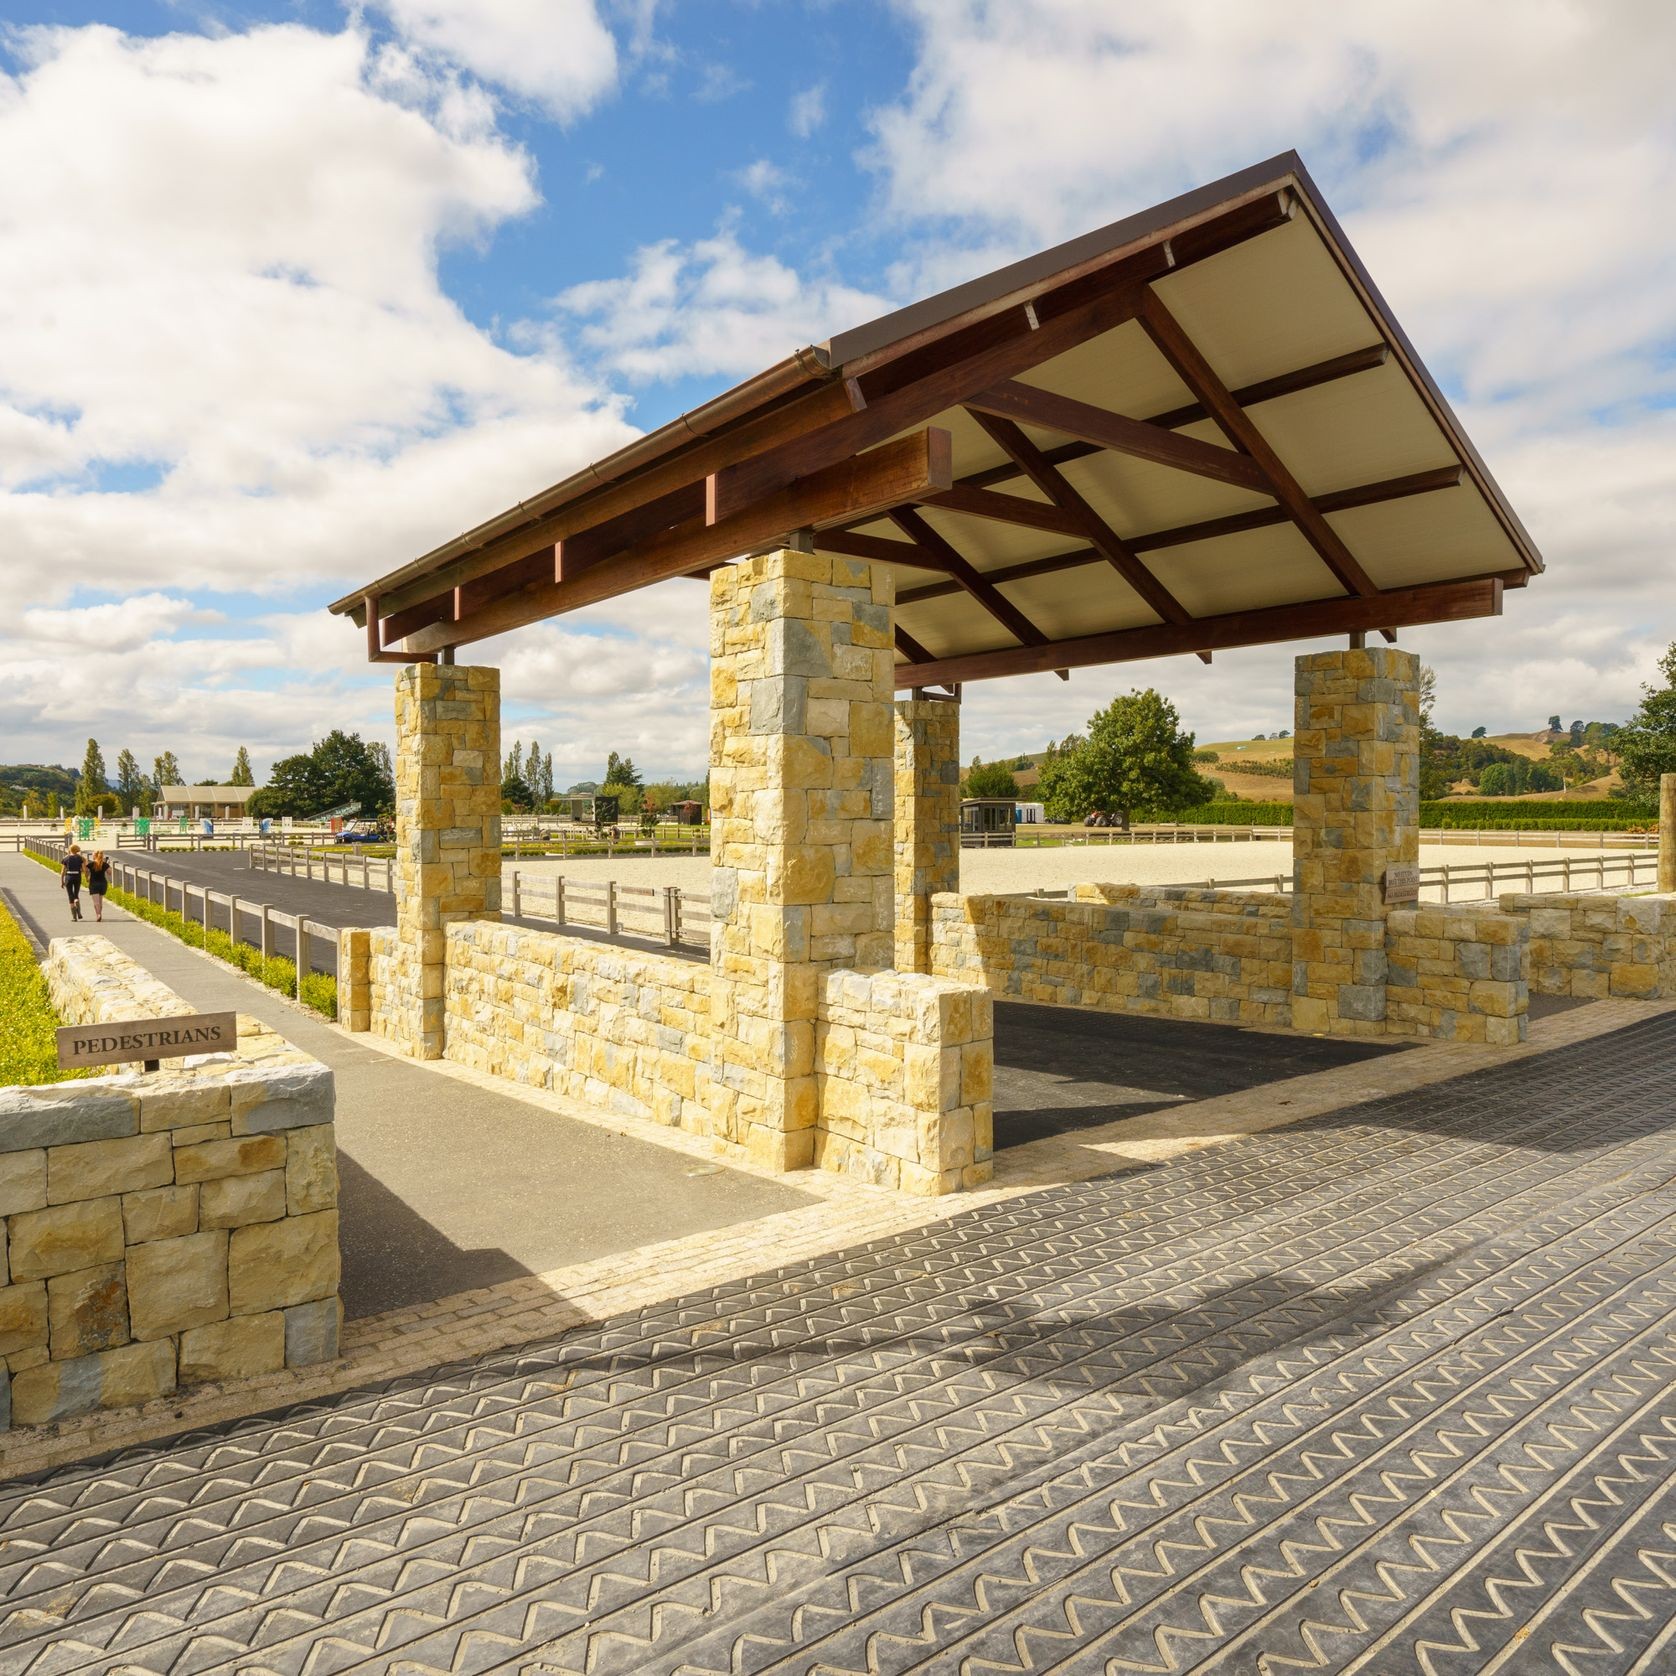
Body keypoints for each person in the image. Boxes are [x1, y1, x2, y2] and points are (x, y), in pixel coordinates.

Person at [86, 849, 111, 923]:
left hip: (94, 883)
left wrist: (87, 877)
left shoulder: (91, 864)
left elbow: (85, 871)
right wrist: (107, 863)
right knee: (100, 901)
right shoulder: (105, 864)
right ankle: (100, 914)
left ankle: (98, 914)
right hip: (103, 883)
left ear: (94, 856)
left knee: (96, 902)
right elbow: (110, 873)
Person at [60, 843, 85, 920]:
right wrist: (84, 874)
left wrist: (62, 881)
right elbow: (84, 870)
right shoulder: (80, 858)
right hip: (77, 876)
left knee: (70, 895)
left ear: (70, 850)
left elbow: (63, 871)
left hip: (69, 877)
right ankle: (78, 907)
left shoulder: (65, 858)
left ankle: (74, 917)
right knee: (76, 894)